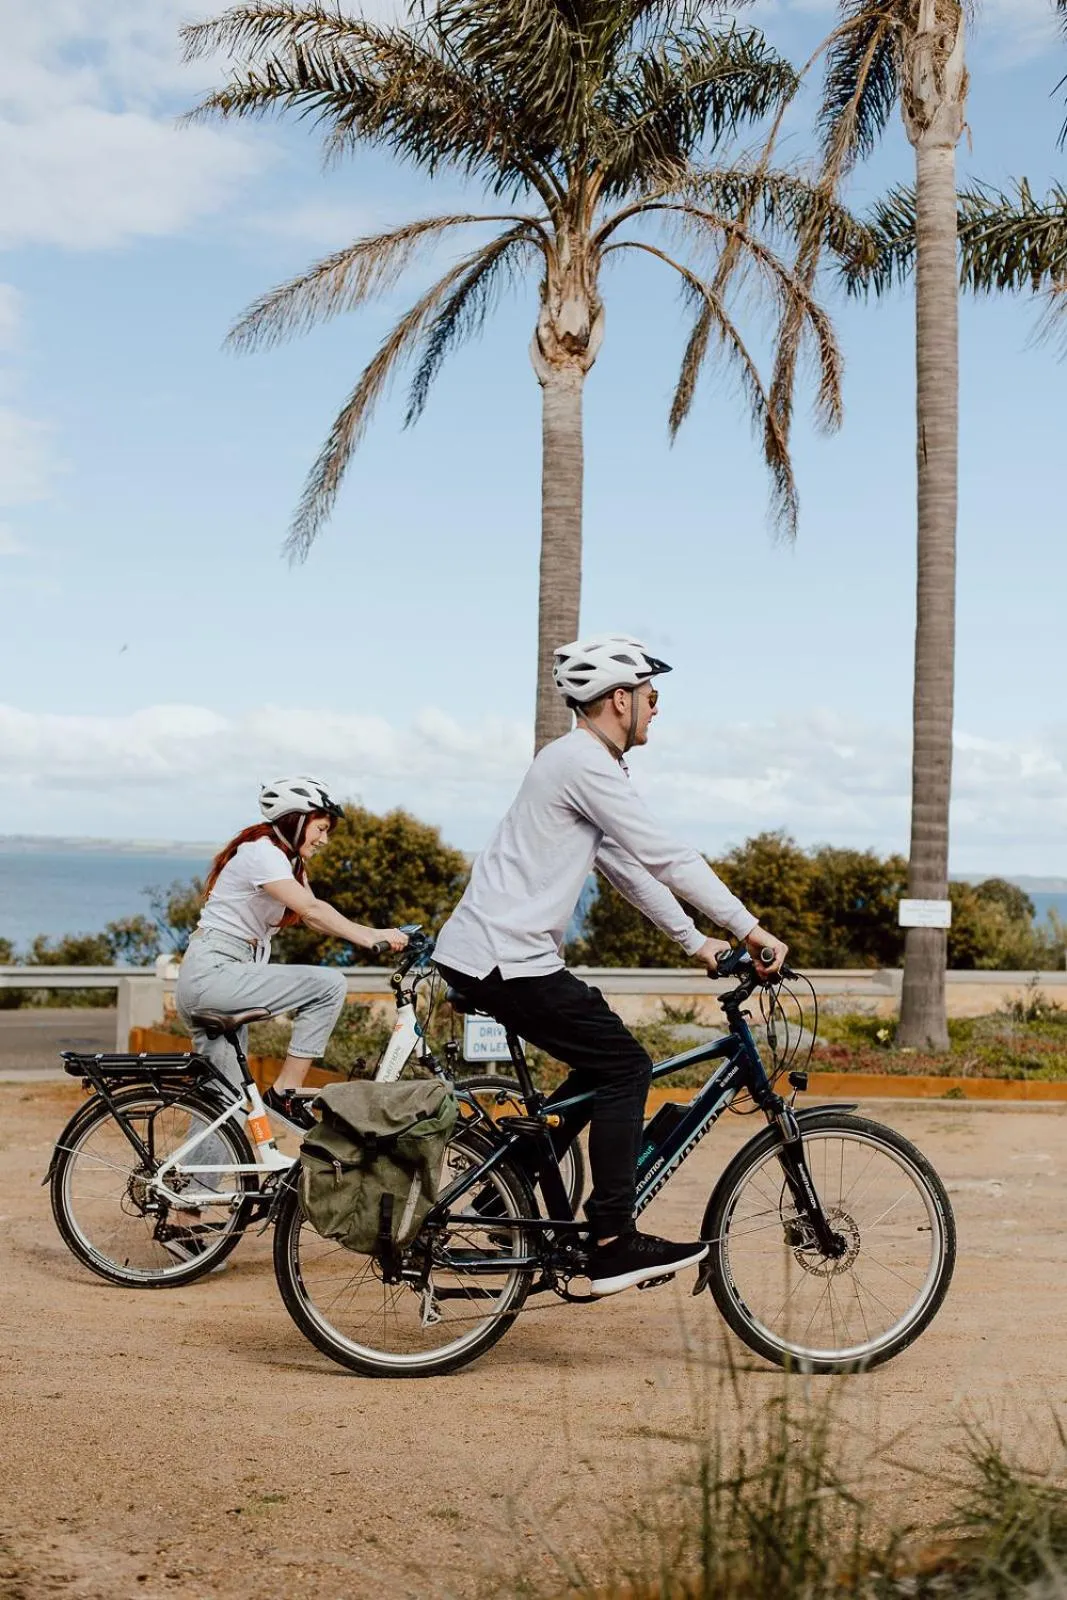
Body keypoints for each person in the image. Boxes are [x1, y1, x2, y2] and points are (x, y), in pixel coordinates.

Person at [434, 634, 788, 1297]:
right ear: (619, 699)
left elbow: (629, 868)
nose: (657, 708)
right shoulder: (581, 762)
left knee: (605, 1064)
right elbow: (667, 855)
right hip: (504, 957)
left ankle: (515, 1174)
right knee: (626, 1065)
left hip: (498, 955)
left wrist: (697, 943)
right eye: (652, 696)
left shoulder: (583, 766)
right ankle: (611, 1241)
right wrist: (749, 928)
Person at [176, 776, 408, 1130]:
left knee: (225, 1108)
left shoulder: (284, 861)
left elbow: (312, 916)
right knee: (328, 985)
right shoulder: (262, 853)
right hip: (215, 972)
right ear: (296, 820)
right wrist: (372, 936)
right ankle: (285, 1094)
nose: (325, 839)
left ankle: (198, 1171)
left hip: (219, 973)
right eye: (321, 828)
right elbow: (313, 910)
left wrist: (375, 934)